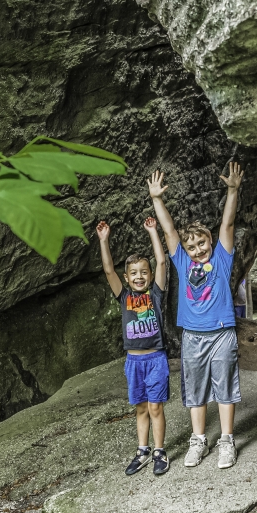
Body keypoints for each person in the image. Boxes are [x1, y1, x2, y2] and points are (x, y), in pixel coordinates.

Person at [147, 163, 244, 469]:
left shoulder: (222, 259)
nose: (198, 249)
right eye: (192, 247)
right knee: (196, 388)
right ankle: (198, 440)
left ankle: (227, 441)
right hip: (192, 336)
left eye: (202, 243)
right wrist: (157, 199)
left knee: (225, 385)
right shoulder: (182, 261)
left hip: (221, 333)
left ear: (210, 242)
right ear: (185, 251)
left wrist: (232, 190)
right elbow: (169, 231)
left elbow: (227, 225)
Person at [96, 217, 170, 476]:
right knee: (141, 408)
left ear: (149, 276)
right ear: (127, 278)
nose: (140, 277)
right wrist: (104, 241)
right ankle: (143, 451)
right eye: (134, 273)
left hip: (156, 359)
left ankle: (159, 451)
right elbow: (108, 271)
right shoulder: (125, 296)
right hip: (134, 362)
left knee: (155, 407)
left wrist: (153, 231)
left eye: (144, 272)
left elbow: (161, 261)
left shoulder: (156, 294)